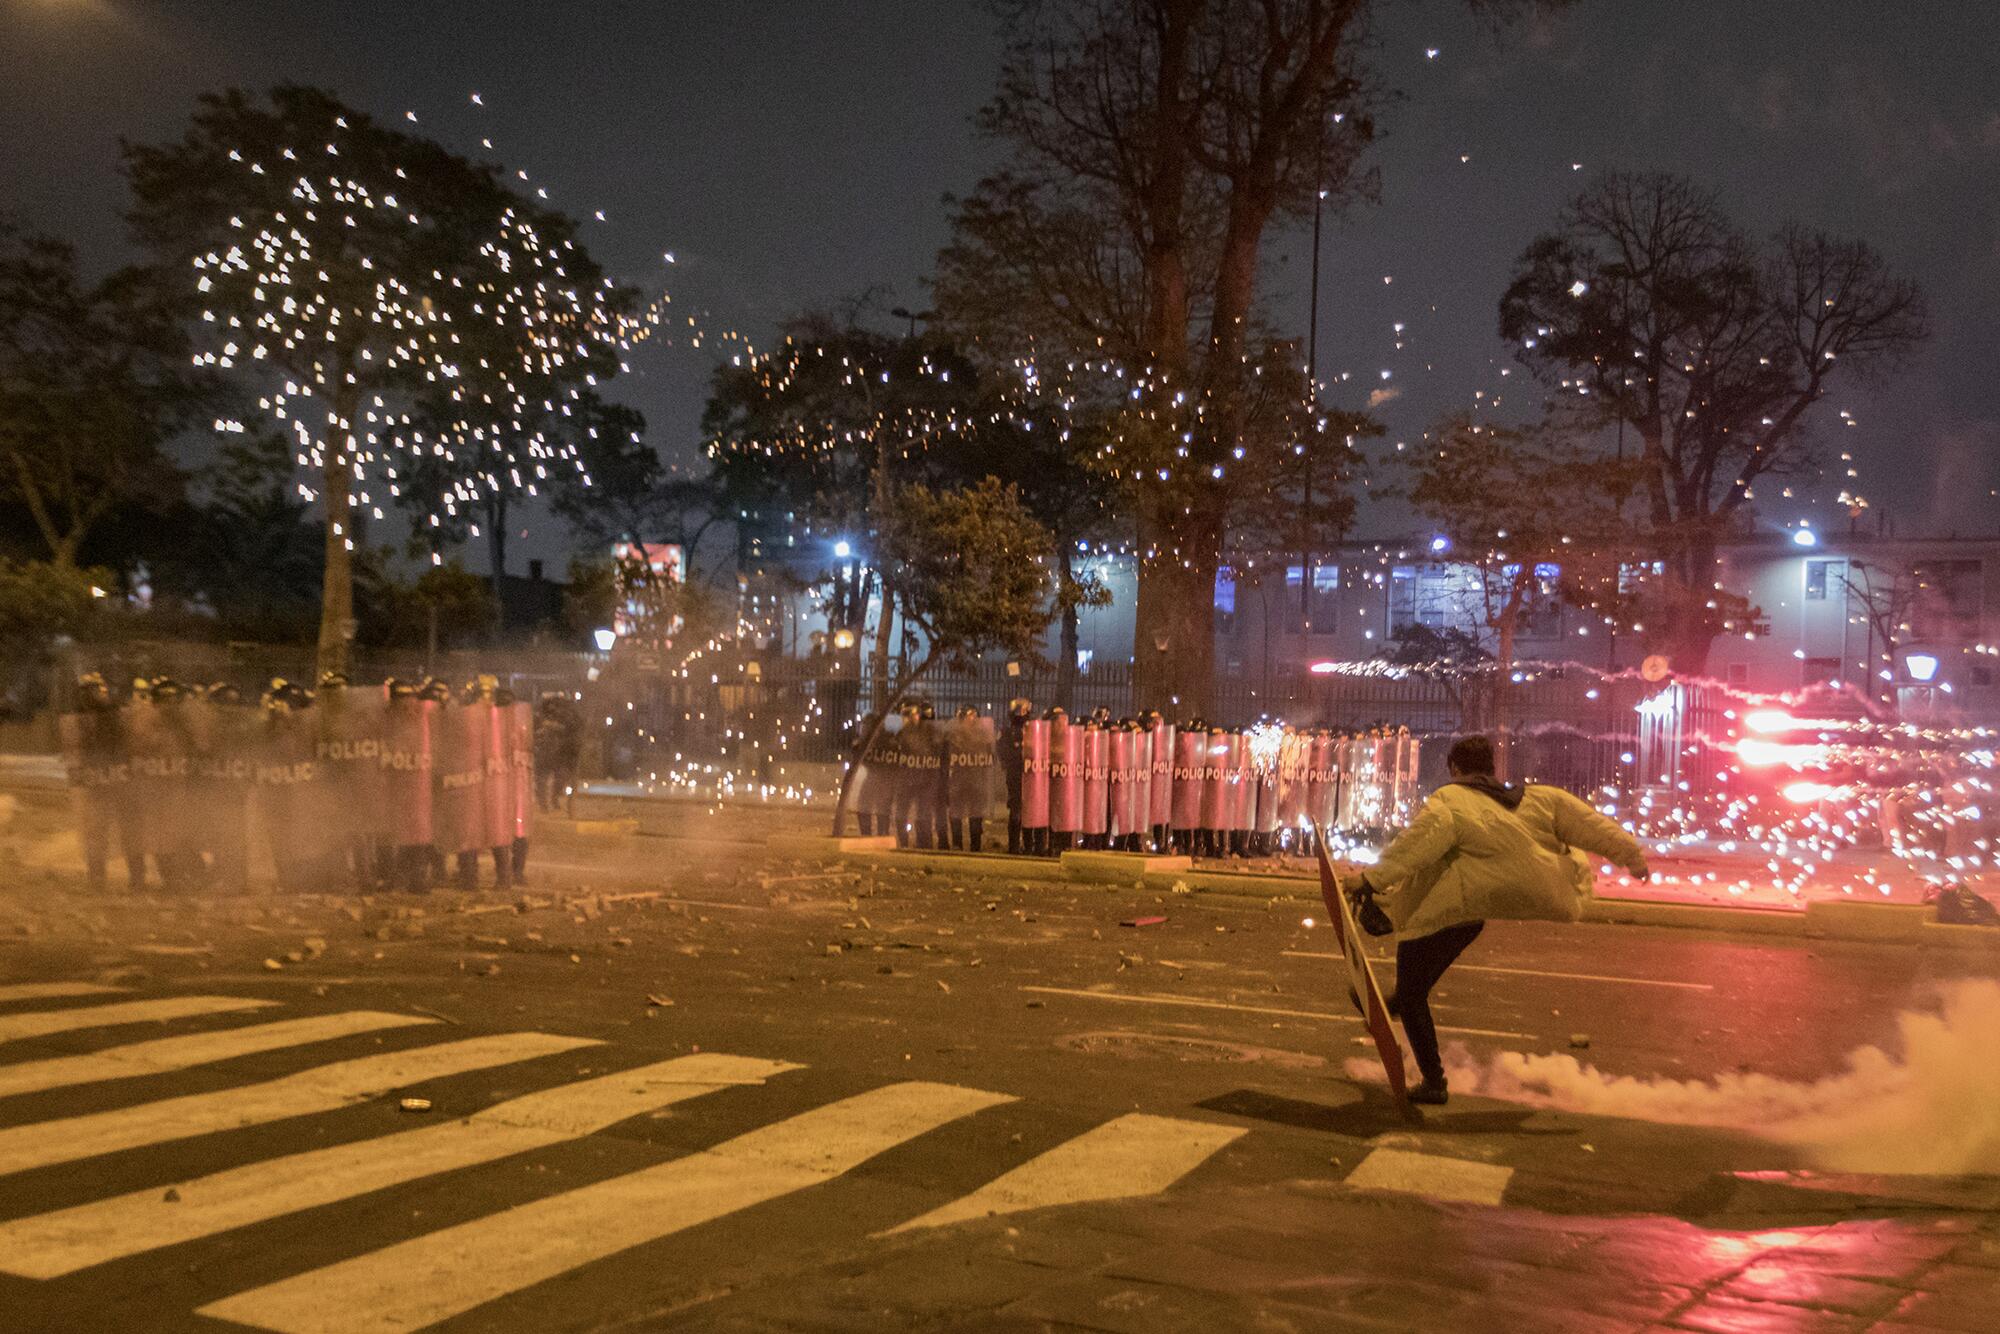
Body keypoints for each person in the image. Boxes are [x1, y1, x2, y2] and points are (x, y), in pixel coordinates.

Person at [1345, 735, 1650, 1106]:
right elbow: (1592, 826)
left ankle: (1433, 1081)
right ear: (1491, 768)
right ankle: (1393, 1004)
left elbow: (1416, 846)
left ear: (1455, 769)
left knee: (1413, 997)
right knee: (1413, 991)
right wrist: (1633, 858)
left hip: (1439, 915)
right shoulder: (1540, 800)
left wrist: (1370, 880)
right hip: (1470, 918)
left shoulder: (1451, 800)